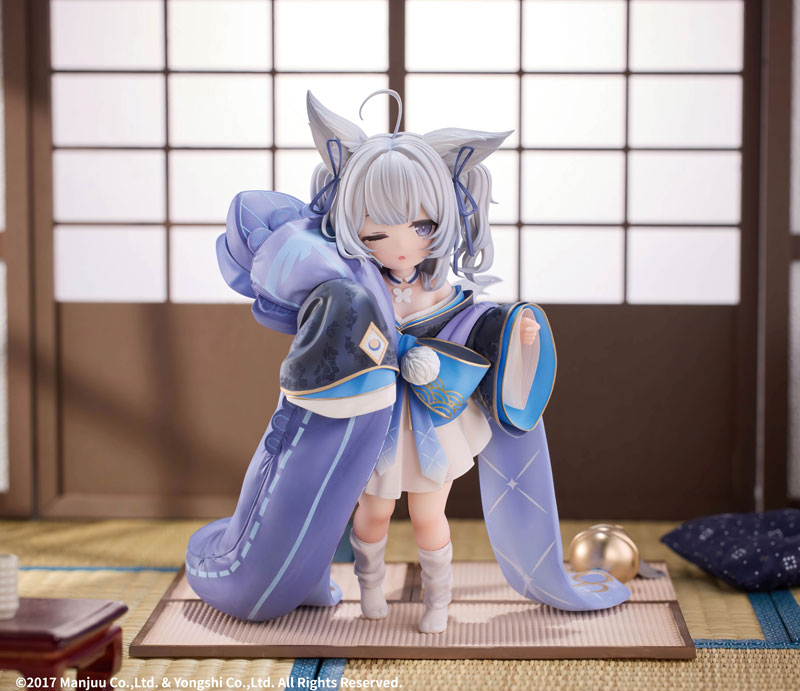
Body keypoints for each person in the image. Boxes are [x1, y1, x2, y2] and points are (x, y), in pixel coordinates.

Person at [184, 90, 630, 632]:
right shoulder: (350, 285)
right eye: (376, 232)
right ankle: (370, 596)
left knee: (428, 515)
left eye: (422, 228)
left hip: (433, 417)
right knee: (369, 514)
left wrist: (519, 331)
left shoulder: (439, 290)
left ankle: (438, 605)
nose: (401, 246)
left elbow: (477, 326)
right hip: (372, 417)